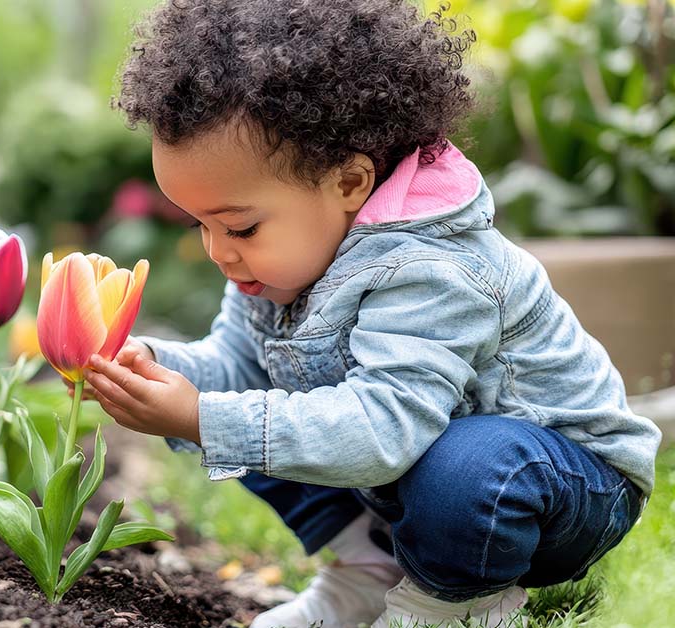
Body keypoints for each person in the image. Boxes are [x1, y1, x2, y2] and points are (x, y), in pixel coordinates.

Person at [79, 1, 663, 626]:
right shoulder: (275, 271)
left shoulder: (433, 268)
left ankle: (451, 604)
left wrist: (203, 417)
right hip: (413, 466)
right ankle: (367, 571)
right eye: (202, 225)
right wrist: (159, 369)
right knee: (236, 417)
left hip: (556, 488)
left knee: (467, 465)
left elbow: (381, 430)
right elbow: (236, 367)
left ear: (351, 183)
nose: (218, 251)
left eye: (240, 226)